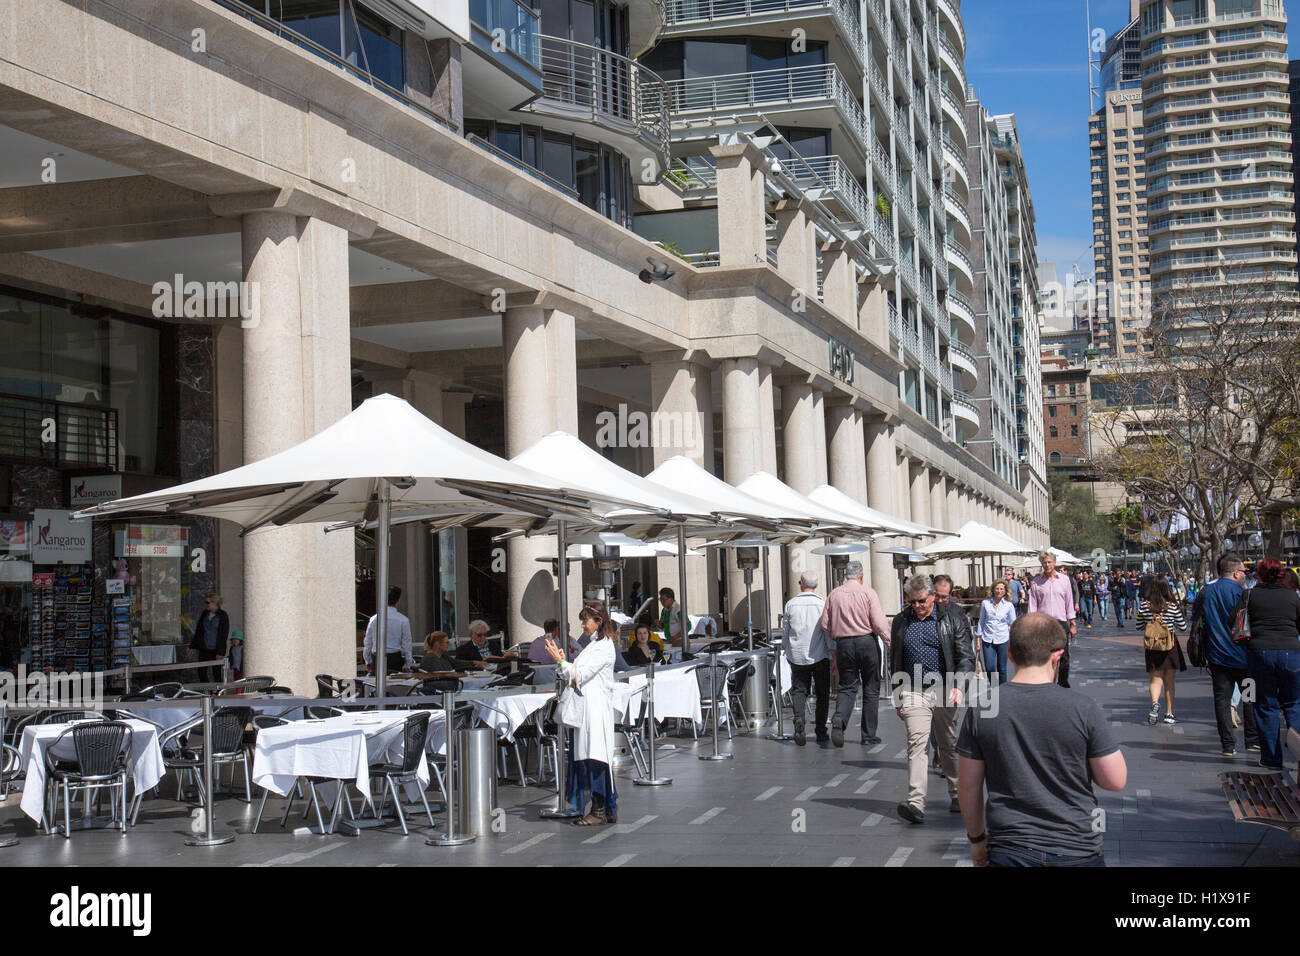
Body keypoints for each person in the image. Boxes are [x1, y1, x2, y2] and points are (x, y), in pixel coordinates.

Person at [957, 612, 1127, 867]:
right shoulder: (1083, 708)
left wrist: (976, 839)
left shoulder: (983, 707)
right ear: (1058, 656)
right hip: (1077, 846)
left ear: (1010, 655)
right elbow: (1114, 781)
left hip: (1010, 846)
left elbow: (968, 786)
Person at [890, 574, 975, 823]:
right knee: (917, 742)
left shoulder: (952, 618)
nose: (917, 606)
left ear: (933, 597)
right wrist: (898, 697)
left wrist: (959, 686)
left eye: (922, 601)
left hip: (945, 688)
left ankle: (958, 793)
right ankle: (916, 803)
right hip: (913, 689)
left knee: (948, 743)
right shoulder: (901, 621)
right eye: (912, 602)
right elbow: (895, 659)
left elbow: (966, 657)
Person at [544, 604, 618, 826]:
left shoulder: (603, 646)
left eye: (586, 620)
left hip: (594, 709)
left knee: (595, 757)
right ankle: (602, 807)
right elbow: (575, 672)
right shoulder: (594, 645)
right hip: (587, 708)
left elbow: (580, 675)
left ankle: (599, 809)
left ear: (599, 621)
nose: (583, 624)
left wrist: (560, 661)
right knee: (590, 756)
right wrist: (563, 662)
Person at [1237, 556, 1300, 771]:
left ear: (1260, 574)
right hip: (1291, 652)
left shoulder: (1250, 595)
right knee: (1293, 703)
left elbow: (1235, 622)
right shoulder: (1293, 597)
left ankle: (1272, 758)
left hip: (1259, 652)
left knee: (1266, 705)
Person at [818, 560, 890, 747]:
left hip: (844, 644)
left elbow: (824, 623)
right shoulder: (868, 593)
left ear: (845, 575)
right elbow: (879, 623)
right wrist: (890, 642)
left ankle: (840, 719)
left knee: (847, 686)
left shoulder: (834, 594)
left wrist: (837, 633)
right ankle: (868, 735)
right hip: (866, 642)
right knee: (871, 688)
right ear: (861, 576)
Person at [1193, 553, 1259, 757]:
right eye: (1244, 572)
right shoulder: (1243, 593)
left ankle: (1228, 745)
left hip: (1217, 657)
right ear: (1236, 573)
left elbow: (1196, 619)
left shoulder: (1207, 592)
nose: (1245, 576)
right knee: (1250, 698)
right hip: (1245, 657)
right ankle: (1252, 740)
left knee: (1221, 701)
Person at [782, 571, 830, 746]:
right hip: (819, 654)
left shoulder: (791, 604)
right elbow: (827, 630)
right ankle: (821, 730)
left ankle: (798, 720)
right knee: (822, 693)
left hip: (797, 654)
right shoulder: (822, 604)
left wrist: (785, 649)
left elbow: (786, 631)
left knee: (800, 690)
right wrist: (832, 651)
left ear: (800, 583)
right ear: (816, 585)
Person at [1134, 576, 1188, 725]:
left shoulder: (1144, 606)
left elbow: (1138, 626)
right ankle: (1169, 713)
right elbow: (1183, 627)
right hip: (1170, 646)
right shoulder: (1172, 606)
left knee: (1155, 679)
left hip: (1152, 647)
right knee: (1169, 681)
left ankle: (1154, 703)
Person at [1028, 551, 1076, 688]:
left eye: (1049, 562)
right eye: (1044, 562)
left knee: (1064, 656)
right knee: (1046, 656)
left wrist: (1072, 623)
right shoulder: (1036, 582)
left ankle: (1063, 683)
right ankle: (1048, 683)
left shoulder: (1064, 580)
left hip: (1061, 624)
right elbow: (1032, 606)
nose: (1047, 565)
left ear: (1054, 563)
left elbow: (1069, 602)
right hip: (1044, 624)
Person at [363, 586, 415, 674]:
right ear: (398, 601)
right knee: (395, 685)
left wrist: (368, 660)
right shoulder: (403, 620)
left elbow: (368, 642)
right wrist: (408, 664)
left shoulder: (374, 619)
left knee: (376, 685)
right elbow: (407, 644)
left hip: (377, 658)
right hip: (395, 659)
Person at [977, 580, 1016, 686]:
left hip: (1003, 638)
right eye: (997, 588)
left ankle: (1002, 691)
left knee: (1002, 668)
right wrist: (978, 637)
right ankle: (995, 688)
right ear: (993, 590)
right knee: (989, 667)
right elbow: (982, 620)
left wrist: (1014, 639)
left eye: (1001, 589)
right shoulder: (985, 603)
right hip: (987, 639)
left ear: (1005, 591)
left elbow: (1013, 623)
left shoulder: (1008, 605)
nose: (999, 591)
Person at [190, 593, 230, 682]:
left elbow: (224, 634)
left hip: (216, 649)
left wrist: (221, 652)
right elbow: (199, 630)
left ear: (214, 603)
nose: (206, 605)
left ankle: (217, 693)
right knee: (201, 672)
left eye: (207, 603)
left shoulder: (222, 615)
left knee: (216, 673)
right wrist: (193, 646)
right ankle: (207, 690)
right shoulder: (205, 614)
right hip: (204, 648)